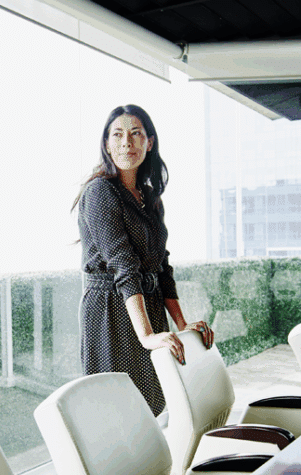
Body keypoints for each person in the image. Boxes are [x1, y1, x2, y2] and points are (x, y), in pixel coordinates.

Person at [74, 104, 214, 416]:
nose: (127, 142)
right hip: (111, 308)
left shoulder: (149, 198)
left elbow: (161, 266)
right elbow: (123, 264)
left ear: (149, 142)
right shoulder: (100, 191)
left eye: (136, 134)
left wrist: (181, 324)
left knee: (151, 401)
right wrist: (147, 335)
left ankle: (152, 465)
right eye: (118, 135)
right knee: (119, 407)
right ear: (107, 144)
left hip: (145, 304)